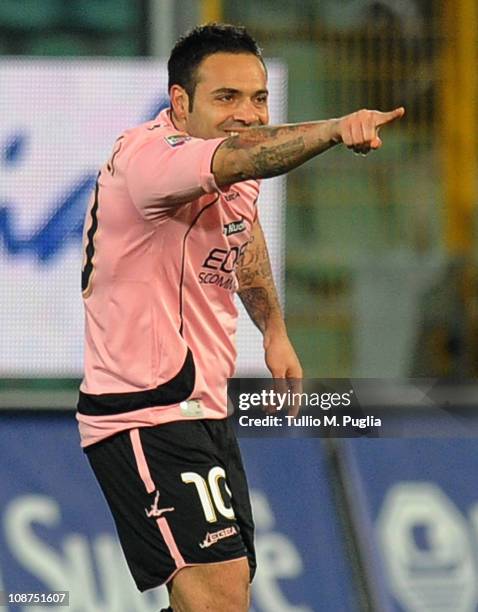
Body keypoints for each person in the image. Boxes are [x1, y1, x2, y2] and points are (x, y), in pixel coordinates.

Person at [77, 22, 404, 612]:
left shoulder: (232, 171)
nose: (248, 114)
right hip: (144, 409)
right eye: (227, 98)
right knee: (219, 595)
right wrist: (332, 129)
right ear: (181, 103)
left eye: (258, 98)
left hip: (204, 407)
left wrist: (273, 329)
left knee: (221, 595)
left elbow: (242, 233)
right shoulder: (150, 158)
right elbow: (239, 158)